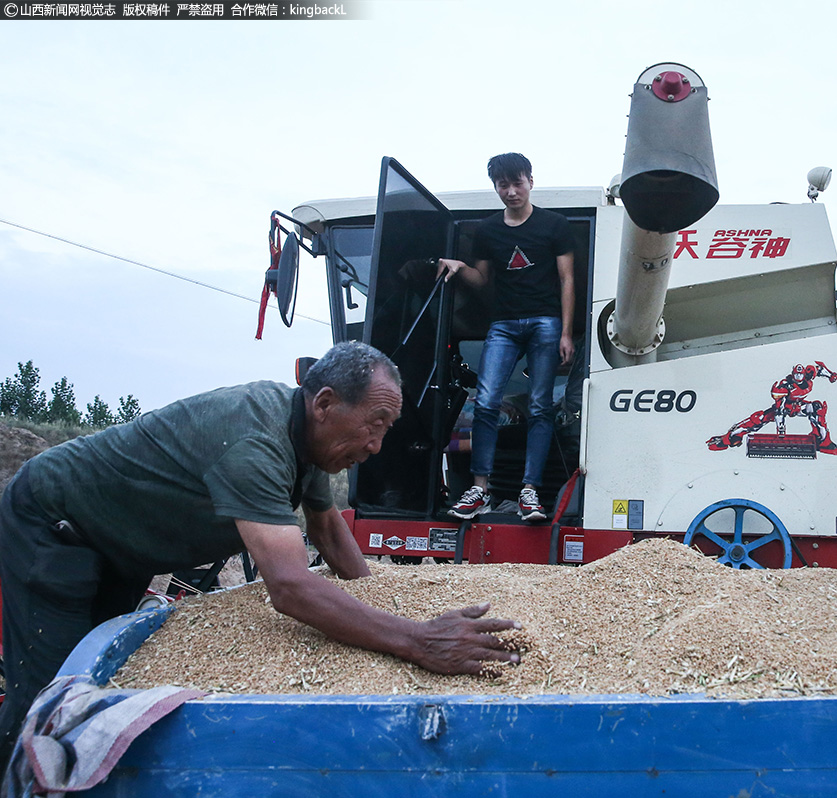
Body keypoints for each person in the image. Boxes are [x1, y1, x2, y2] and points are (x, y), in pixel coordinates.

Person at [0, 342, 521, 763]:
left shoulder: (309, 442)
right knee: (53, 701)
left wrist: (381, 604)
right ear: (325, 403)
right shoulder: (256, 438)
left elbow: (328, 529)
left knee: (105, 684)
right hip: (54, 525)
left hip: (122, 547)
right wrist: (416, 641)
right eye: (375, 424)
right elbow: (290, 588)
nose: (376, 446)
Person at [436, 152, 575, 523]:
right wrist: (459, 266)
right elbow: (481, 281)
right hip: (504, 324)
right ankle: (480, 489)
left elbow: (567, 279)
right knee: (486, 403)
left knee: (542, 405)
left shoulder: (554, 224)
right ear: (496, 187)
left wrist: (565, 332)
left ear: (531, 181)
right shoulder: (488, 231)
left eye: (517, 183)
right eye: (503, 185)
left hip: (545, 321)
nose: (511, 191)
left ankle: (529, 492)